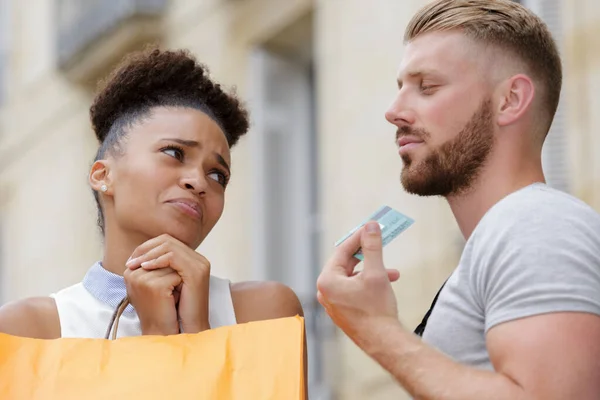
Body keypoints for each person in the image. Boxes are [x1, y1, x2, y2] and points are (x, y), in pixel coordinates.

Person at [316, 0, 600, 399]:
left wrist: (377, 329)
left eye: (427, 86)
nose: (394, 111)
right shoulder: (507, 234)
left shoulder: (536, 222)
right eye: (400, 89)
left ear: (510, 100)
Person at [0, 48, 304, 341]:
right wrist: (158, 333)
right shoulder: (29, 331)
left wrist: (195, 330)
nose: (199, 182)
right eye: (174, 152)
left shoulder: (265, 313)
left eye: (217, 175)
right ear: (103, 175)